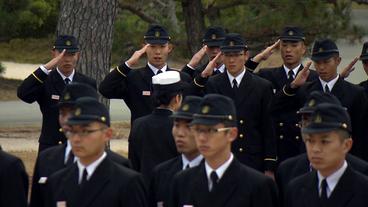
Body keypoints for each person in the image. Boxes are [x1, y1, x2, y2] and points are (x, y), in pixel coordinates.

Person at [30, 82, 131, 207]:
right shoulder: (46, 159)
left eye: (73, 112)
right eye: (62, 113)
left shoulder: (119, 165)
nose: (67, 120)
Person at [170, 94, 278, 207]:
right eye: (198, 130)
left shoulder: (257, 185)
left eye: (211, 130)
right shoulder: (182, 181)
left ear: (231, 134)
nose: (201, 138)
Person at [193, 33, 277, 175]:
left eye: (236, 55)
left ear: (245, 55)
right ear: (222, 56)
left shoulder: (262, 86)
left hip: (252, 158)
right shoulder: (214, 83)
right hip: (223, 157)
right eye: (227, 55)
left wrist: (269, 166)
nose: (232, 60)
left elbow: (268, 127)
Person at [274, 38, 368, 161]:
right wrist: (292, 86)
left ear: (337, 61)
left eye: (326, 62)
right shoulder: (304, 91)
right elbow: (274, 108)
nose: (322, 67)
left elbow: (361, 135)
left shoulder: (355, 93)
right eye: (317, 63)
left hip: (344, 159)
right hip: (311, 159)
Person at [47, 97, 147, 207]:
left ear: (107, 134)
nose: (76, 139)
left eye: (85, 131)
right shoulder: (57, 181)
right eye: (72, 131)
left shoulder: (127, 182)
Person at [275, 91, 368, 206]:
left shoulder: (363, 189)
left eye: (324, 141)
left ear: (346, 145)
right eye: (310, 141)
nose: (316, 149)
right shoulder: (295, 188)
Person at [17, 35, 96, 152]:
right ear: (54, 54)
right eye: (63, 54)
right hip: (51, 146)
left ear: (78, 56)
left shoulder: (87, 83)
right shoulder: (45, 80)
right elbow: (23, 94)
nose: (67, 59)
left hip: (79, 146)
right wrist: (46, 67)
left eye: (71, 55)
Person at [99, 24, 191, 124]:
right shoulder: (133, 77)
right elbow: (105, 90)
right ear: (144, 48)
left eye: (162, 46)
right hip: (142, 136)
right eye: (152, 46)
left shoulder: (181, 78)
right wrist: (127, 64)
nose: (157, 52)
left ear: (169, 48)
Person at [256, 26, 319, 163]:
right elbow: (243, 82)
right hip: (277, 150)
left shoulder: (315, 78)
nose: (288, 50)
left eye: (294, 45)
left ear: (303, 49)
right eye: (284, 45)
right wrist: (259, 58)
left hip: (304, 149)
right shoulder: (266, 76)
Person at [129, 71, 188, 184]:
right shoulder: (179, 127)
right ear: (177, 98)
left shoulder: (138, 124)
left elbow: (133, 162)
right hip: (173, 188)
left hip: (145, 189)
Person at [149, 96, 203, 207]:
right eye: (176, 125)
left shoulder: (217, 174)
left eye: (188, 126)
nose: (180, 133)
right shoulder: (161, 173)